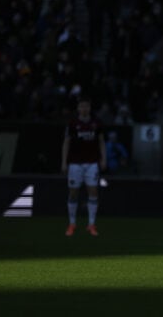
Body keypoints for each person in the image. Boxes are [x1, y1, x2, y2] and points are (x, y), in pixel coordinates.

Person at [61, 96, 106, 236]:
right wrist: (64, 162)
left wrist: (103, 159)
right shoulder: (72, 123)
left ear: (90, 107)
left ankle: (91, 224)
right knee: (73, 193)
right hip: (75, 163)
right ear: (78, 108)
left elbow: (101, 142)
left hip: (92, 163)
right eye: (82, 106)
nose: (84, 109)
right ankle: (72, 224)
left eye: (86, 106)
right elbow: (66, 143)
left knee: (93, 191)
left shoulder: (96, 123)